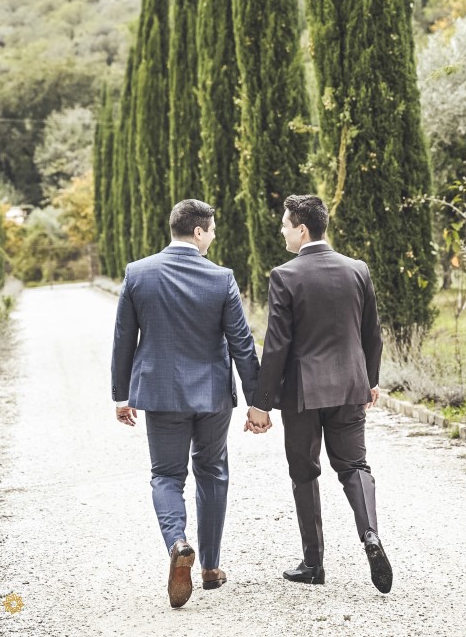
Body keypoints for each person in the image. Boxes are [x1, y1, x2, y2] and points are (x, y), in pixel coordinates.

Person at [112, 198, 260, 609]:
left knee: (166, 476)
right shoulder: (222, 278)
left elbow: (124, 338)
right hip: (212, 396)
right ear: (198, 231)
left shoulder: (138, 274)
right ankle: (210, 568)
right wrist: (257, 402)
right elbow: (242, 344)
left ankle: (178, 544)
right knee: (212, 472)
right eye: (211, 230)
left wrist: (121, 395)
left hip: (160, 395)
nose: (213, 237)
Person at [246, 194, 392, 593]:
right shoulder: (357, 269)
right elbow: (372, 334)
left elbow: (277, 345)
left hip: (301, 394)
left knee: (305, 473)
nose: (282, 230)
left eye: (285, 224)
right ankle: (370, 535)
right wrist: (370, 380)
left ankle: (314, 564)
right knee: (354, 466)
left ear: (302, 229)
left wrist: (260, 403)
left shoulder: (285, 275)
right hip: (349, 385)